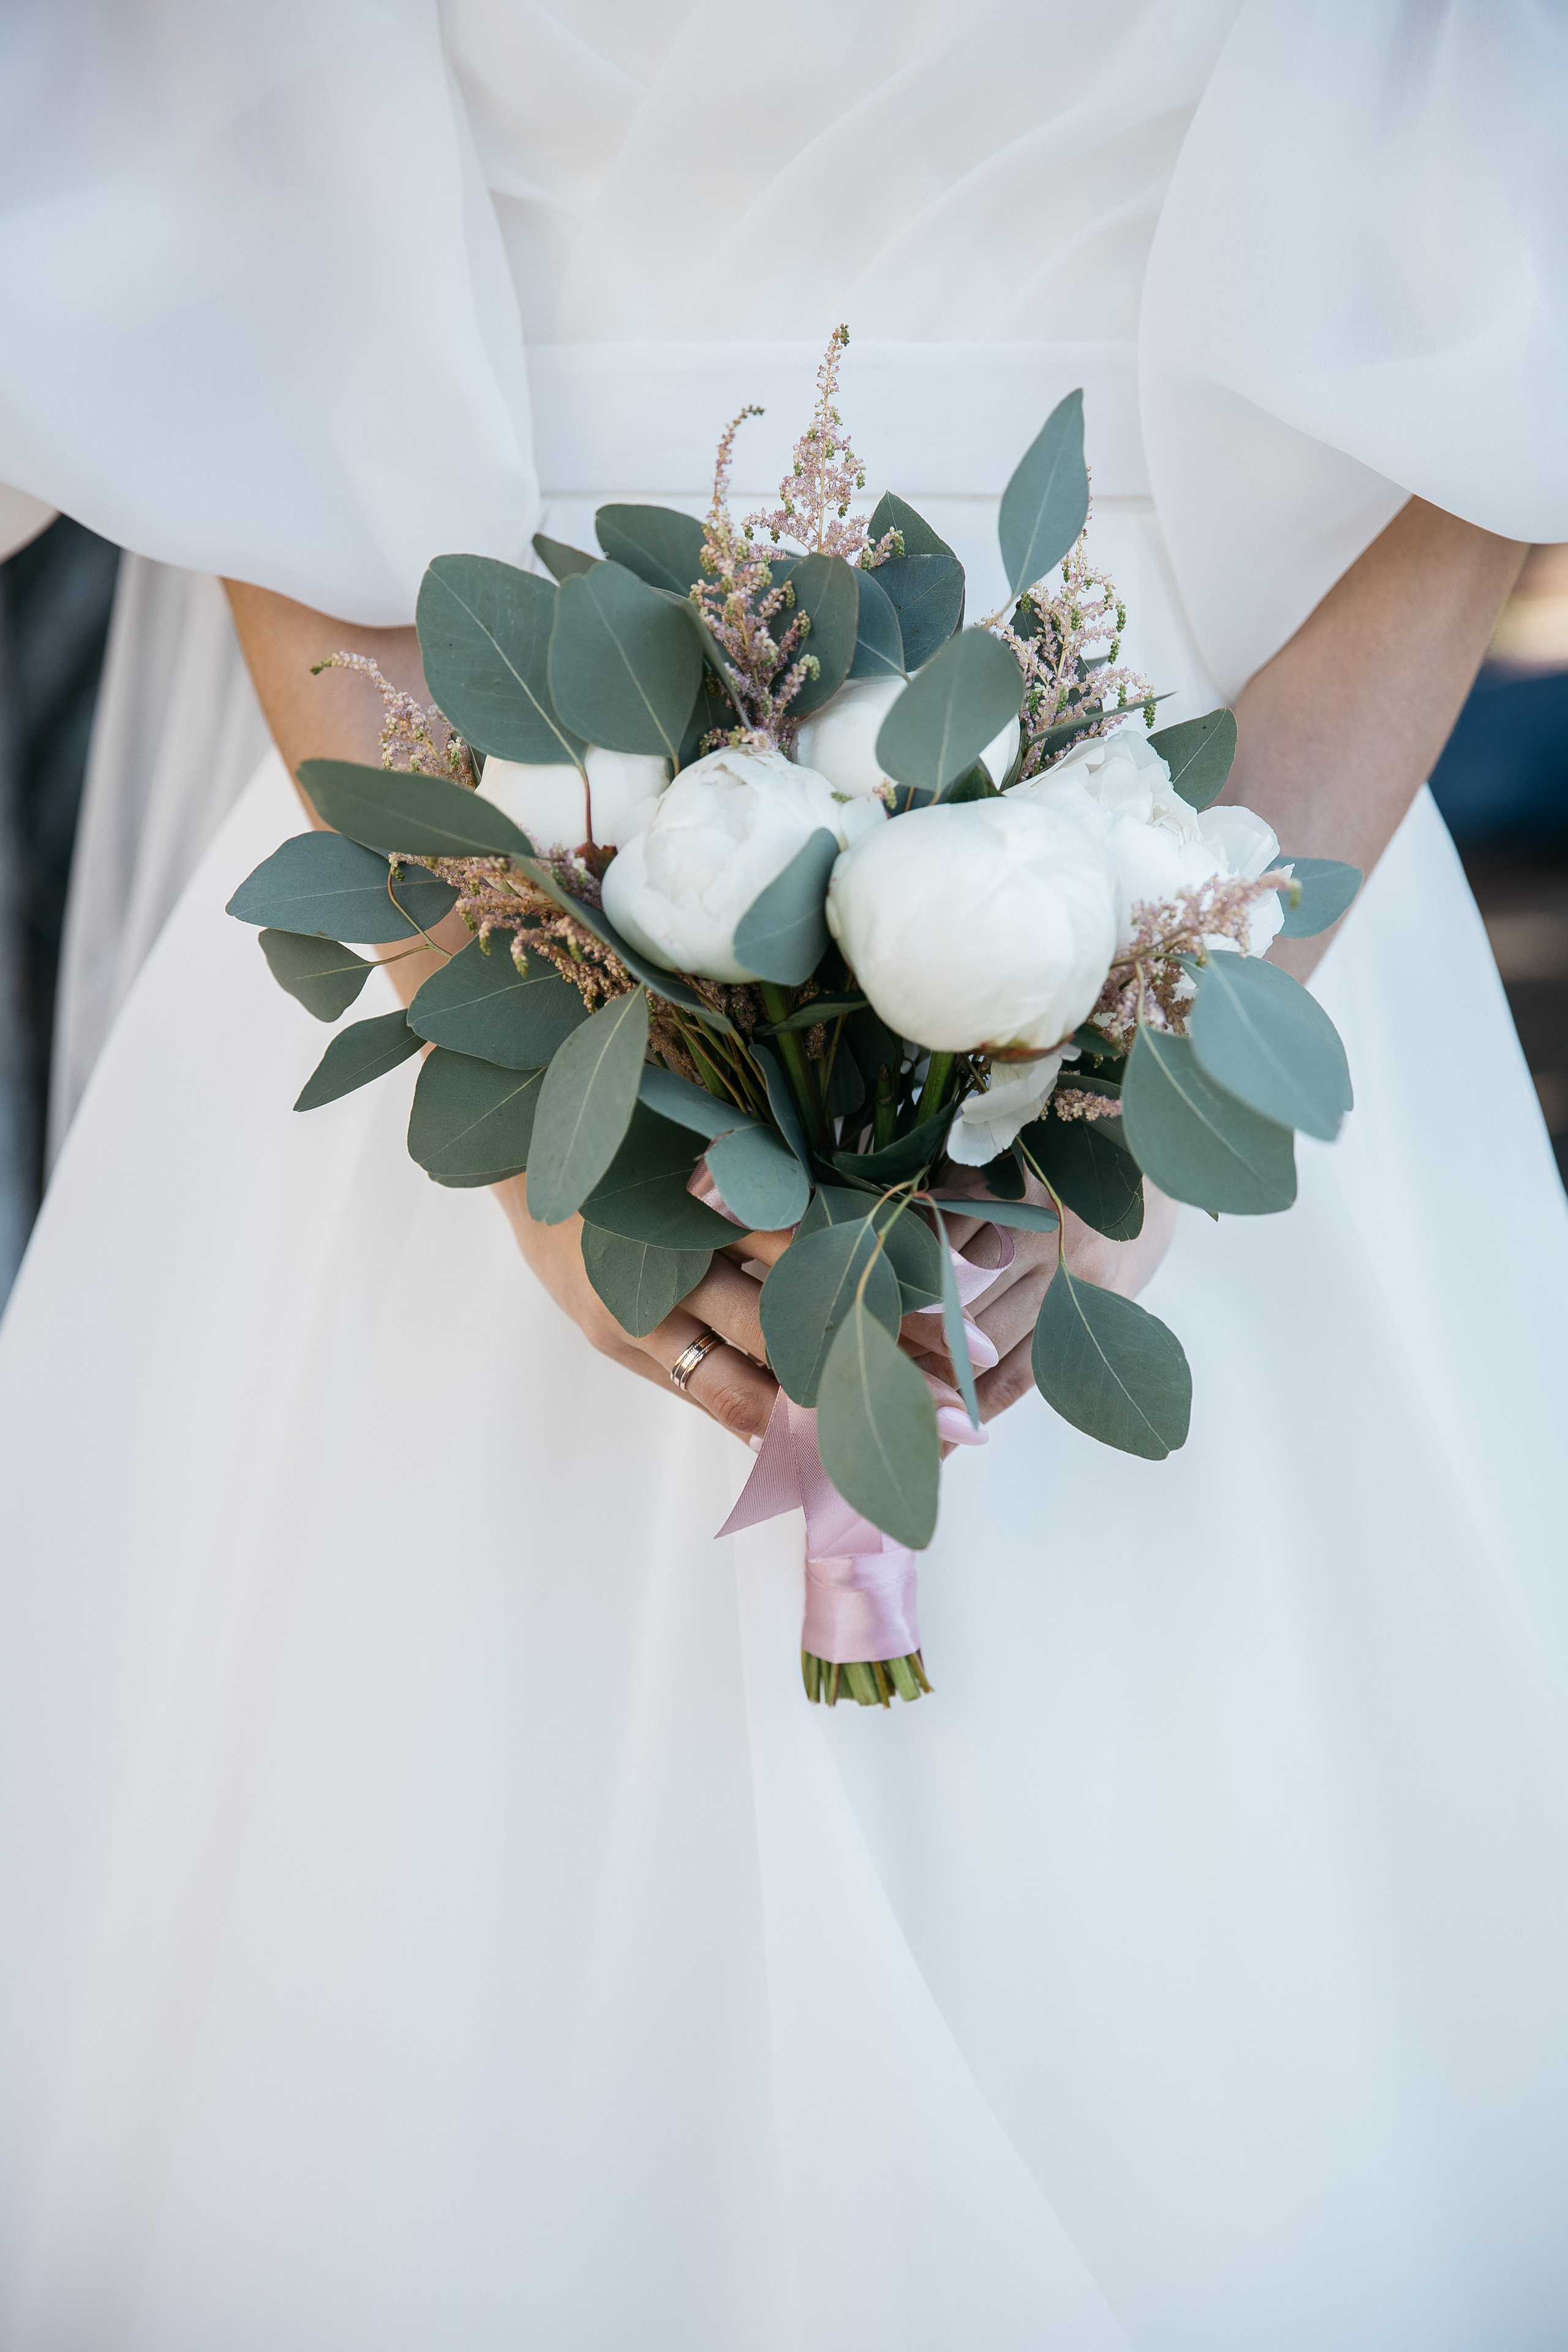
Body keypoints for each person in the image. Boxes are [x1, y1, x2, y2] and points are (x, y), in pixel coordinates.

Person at [1, 6, 1566, 2345]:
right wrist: (492, 1021)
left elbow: (1512, 349)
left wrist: (1209, 963)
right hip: (502, 801)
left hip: (1214, 801)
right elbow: (219, 294)